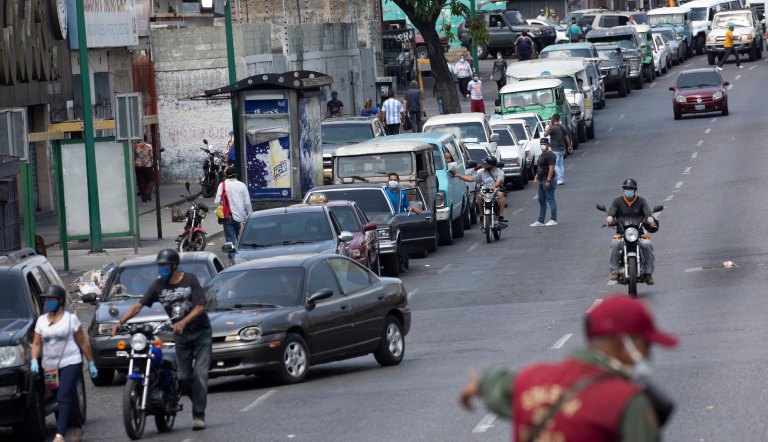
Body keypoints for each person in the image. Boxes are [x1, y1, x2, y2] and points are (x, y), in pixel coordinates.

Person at [459, 295, 678, 441]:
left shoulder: (529, 380)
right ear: (622, 344)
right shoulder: (627, 403)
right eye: (646, 344)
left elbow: (498, 384)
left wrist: (478, 385)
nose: (649, 353)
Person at [112, 249, 212, 431]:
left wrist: (182, 322)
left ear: (174, 265)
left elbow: (200, 306)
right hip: (181, 337)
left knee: (200, 374)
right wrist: (121, 321)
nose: (162, 269)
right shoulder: (159, 285)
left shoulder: (190, 280)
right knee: (184, 377)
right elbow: (138, 305)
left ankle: (199, 414)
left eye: (164, 265)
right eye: (160, 265)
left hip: (200, 332)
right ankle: (190, 398)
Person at [30, 285, 99, 442]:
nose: (48, 302)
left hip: (71, 361)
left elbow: (82, 342)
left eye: (51, 299)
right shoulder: (41, 321)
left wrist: (91, 362)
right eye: (46, 299)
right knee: (62, 398)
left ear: (60, 300)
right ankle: (77, 426)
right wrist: (34, 359)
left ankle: (60, 434)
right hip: (50, 366)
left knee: (64, 394)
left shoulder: (70, 319)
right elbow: (36, 344)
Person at [604, 178, 658, 285]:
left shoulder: (641, 201)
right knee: (614, 244)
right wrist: (609, 219)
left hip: (638, 234)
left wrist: (651, 220)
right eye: (627, 189)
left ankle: (648, 273)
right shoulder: (617, 201)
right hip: (622, 233)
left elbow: (648, 214)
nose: (629, 191)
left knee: (647, 244)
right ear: (623, 189)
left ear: (635, 190)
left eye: (631, 189)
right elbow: (611, 213)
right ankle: (614, 271)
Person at [215, 166, 253, 262]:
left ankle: (232, 262)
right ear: (236, 174)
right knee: (241, 239)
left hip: (227, 216)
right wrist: (250, 214)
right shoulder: (242, 185)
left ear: (226, 175)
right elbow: (247, 203)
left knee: (230, 240)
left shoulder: (222, 185)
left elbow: (217, 201)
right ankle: (243, 259)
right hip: (241, 217)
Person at [451, 156, 506, 221]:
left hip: (495, 190)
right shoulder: (482, 172)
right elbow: (471, 179)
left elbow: (499, 181)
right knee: (479, 196)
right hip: (485, 190)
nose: (484, 165)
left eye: (486, 164)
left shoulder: (499, 172)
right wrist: (458, 175)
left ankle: (501, 215)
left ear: (491, 165)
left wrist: (493, 187)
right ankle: (482, 215)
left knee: (501, 194)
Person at [384, 173, 420, 272]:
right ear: (388, 181)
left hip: (401, 220)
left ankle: (403, 264)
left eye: (395, 180)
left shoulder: (402, 193)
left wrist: (413, 209)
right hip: (389, 221)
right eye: (391, 180)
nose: (393, 182)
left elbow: (406, 205)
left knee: (402, 243)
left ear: (398, 182)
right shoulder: (385, 192)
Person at [530, 137, 558, 227]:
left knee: (550, 199)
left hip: (547, 180)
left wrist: (548, 181)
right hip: (541, 180)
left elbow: (551, 168)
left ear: (548, 145)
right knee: (541, 200)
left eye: (544, 144)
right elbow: (540, 168)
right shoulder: (542, 155)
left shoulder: (551, 155)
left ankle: (554, 219)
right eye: (541, 144)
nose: (543, 146)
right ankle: (540, 220)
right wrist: (536, 178)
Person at [543, 113, 573, 185]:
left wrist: (546, 127)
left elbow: (545, 134)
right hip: (562, 149)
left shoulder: (552, 128)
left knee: (555, 164)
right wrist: (569, 146)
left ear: (553, 119)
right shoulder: (563, 127)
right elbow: (567, 137)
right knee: (561, 164)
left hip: (555, 149)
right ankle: (561, 178)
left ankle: (559, 179)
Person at [134, 135, 154, 202]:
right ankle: (147, 191)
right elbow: (151, 155)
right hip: (147, 165)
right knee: (151, 179)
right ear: (146, 139)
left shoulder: (135, 146)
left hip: (138, 165)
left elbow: (134, 156)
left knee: (140, 181)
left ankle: (143, 198)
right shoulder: (149, 146)